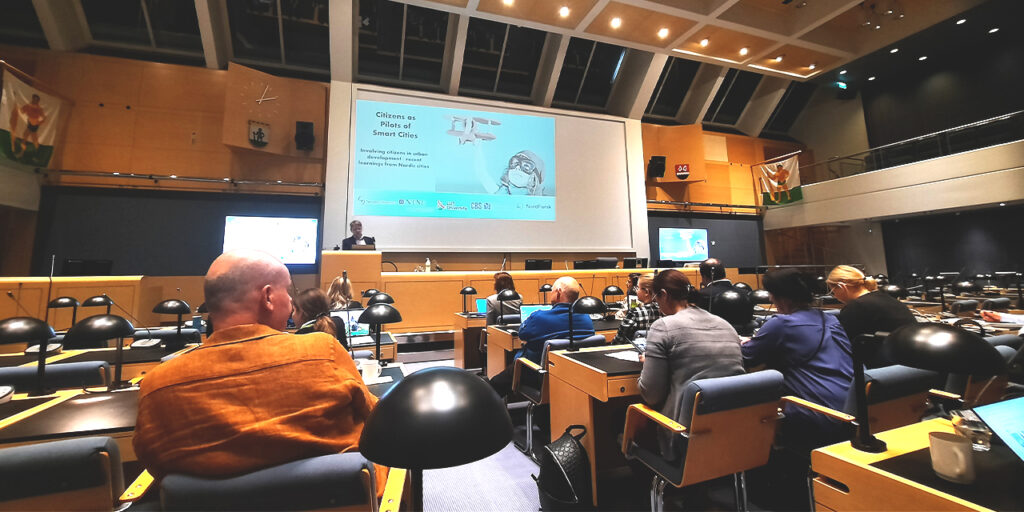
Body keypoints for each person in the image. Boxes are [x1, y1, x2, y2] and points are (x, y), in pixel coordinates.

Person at [133, 250, 386, 493]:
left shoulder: (157, 385)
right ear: (267, 297)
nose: (290, 300)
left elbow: (154, 464)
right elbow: (374, 420)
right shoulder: (323, 351)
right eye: (287, 291)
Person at [741, 268, 853, 451]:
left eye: (771, 294)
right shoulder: (830, 320)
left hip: (819, 415)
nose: (769, 299)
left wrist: (744, 342)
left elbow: (748, 357)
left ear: (781, 297)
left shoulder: (781, 324)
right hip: (854, 410)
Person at [638, 269, 744, 457]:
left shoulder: (663, 326)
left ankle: (662, 484)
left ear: (663, 294)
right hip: (734, 435)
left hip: (684, 436)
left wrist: (649, 363)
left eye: (656, 298)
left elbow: (651, 395)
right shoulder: (724, 324)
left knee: (622, 423)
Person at [488, 276, 594, 398]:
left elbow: (522, 334)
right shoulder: (586, 318)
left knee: (494, 385)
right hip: (572, 377)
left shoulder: (540, 317)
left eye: (552, 291)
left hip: (535, 373)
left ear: (558, 292)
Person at [828, 265, 916, 362]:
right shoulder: (886, 297)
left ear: (842, 287)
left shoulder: (856, 307)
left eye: (832, 291)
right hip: (912, 357)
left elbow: (842, 344)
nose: (834, 296)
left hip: (892, 364)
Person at [612, 275, 662, 344]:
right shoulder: (666, 311)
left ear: (646, 292)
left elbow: (619, 340)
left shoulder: (635, 313)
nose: (636, 290)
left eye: (637, 288)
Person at [12, 94, 46, 159]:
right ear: (32, 99)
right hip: (30, 124)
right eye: (34, 99)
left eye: (36, 100)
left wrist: (38, 123)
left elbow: (44, 118)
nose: (34, 101)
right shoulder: (28, 106)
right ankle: (22, 153)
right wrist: (17, 104)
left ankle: (36, 155)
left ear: (38, 101)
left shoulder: (39, 109)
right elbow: (22, 111)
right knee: (26, 138)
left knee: (32, 140)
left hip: (34, 125)